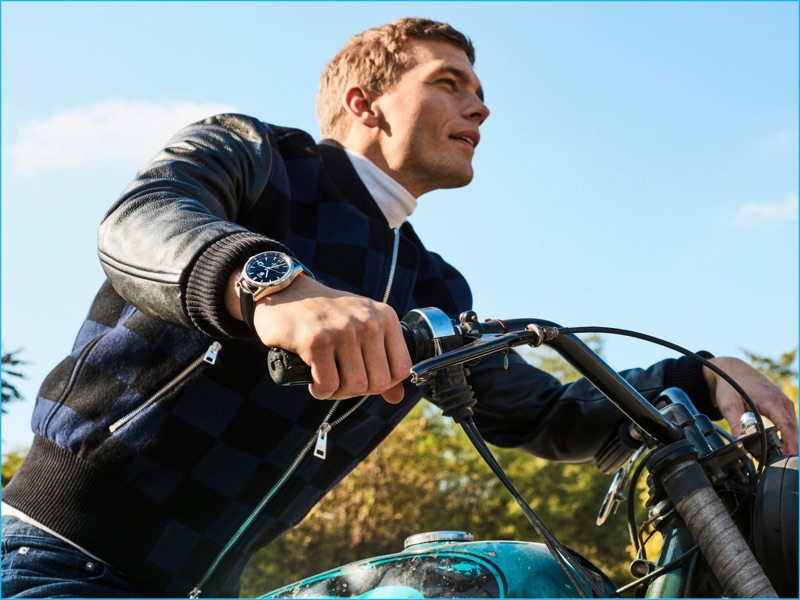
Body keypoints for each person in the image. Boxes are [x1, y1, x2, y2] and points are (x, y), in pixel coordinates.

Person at [2, 17, 796, 599]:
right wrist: (273, 285)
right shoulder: (257, 156)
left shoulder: (434, 289)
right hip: (51, 556)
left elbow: (544, 412)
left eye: (482, 93)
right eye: (448, 84)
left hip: (204, 592)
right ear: (366, 101)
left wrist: (696, 373)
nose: (480, 109)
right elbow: (142, 217)